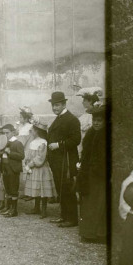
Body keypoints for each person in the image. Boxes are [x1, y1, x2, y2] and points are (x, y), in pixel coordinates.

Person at [47, 91, 81, 228]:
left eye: (57, 105)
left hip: (66, 160)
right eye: (53, 105)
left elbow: (76, 140)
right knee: (60, 188)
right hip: (57, 161)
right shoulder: (59, 118)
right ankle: (64, 215)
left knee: (67, 188)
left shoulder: (71, 119)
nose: (55, 108)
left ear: (64, 104)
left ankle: (72, 219)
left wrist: (58, 145)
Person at [77, 104, 108, 243]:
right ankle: (88, 233)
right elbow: (85, 154)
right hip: (88, 175)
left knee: (100, 204)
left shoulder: (106, 136)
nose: (96, 123)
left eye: (99, 120)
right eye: (94, 120)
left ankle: (100, 234)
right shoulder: (90, 134)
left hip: (100, 176)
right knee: (89, 204)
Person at [23, 120, 56, 218]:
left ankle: (44, 210)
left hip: (41, 169)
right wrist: (27, 162)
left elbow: (40, 158)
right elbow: (29, 155)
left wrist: (30, 165)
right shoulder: (33, 142)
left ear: (37, 131)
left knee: (42, 189)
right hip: (33, 168)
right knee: (36, 188)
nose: (31, 131)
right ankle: (36, 207)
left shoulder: (43, 142)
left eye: (32, 130)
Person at [0, 124, 25, 217]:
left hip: (13, 169)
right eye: (4, 133)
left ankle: (14, 210)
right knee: (8, 188)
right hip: (5, 168)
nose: (6, 135)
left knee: (14, 189)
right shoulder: (4, 143)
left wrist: (10, 152)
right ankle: (8, 207)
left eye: (7, 133)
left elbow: (21, 156)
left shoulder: (17, 143)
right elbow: (1, 155)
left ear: (13, 132)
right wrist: (0, 153)